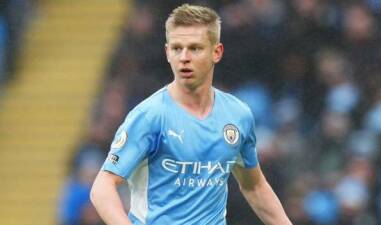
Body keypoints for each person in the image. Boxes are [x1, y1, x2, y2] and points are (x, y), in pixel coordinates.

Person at [90, 4, 292, 225]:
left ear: (216, 52)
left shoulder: (237, 115)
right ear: (167, 52)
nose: (184, 57)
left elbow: (254, 186)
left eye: (195, 48)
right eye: (177, 48)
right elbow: (102, 188)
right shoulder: (150, 116)